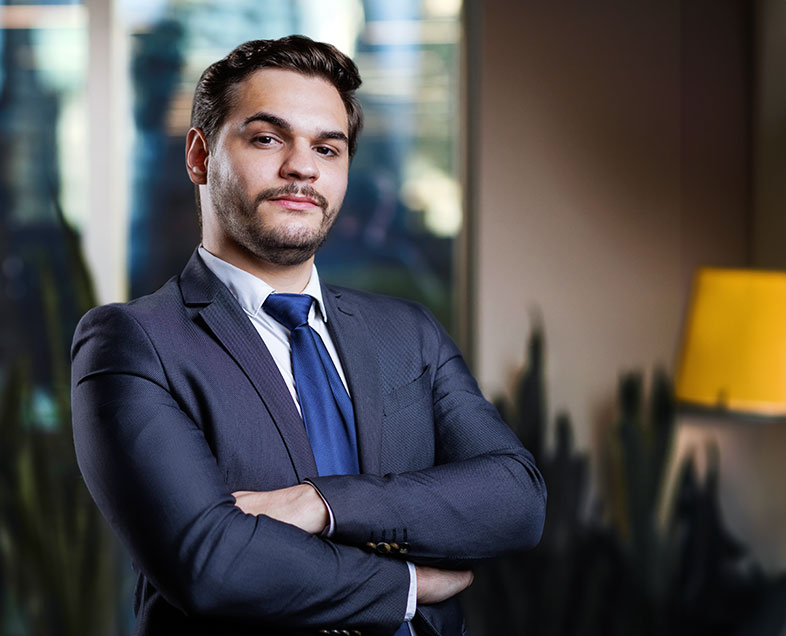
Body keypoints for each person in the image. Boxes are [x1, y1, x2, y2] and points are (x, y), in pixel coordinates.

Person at [71, 35, 546, 636]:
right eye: (268, 138)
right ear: (199, 156)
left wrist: (320, 504)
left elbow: (516, 499)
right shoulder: (134, 342)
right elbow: (210, 562)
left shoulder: (408, 333)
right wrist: (406, 586)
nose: (302, 166)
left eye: (328, 147)